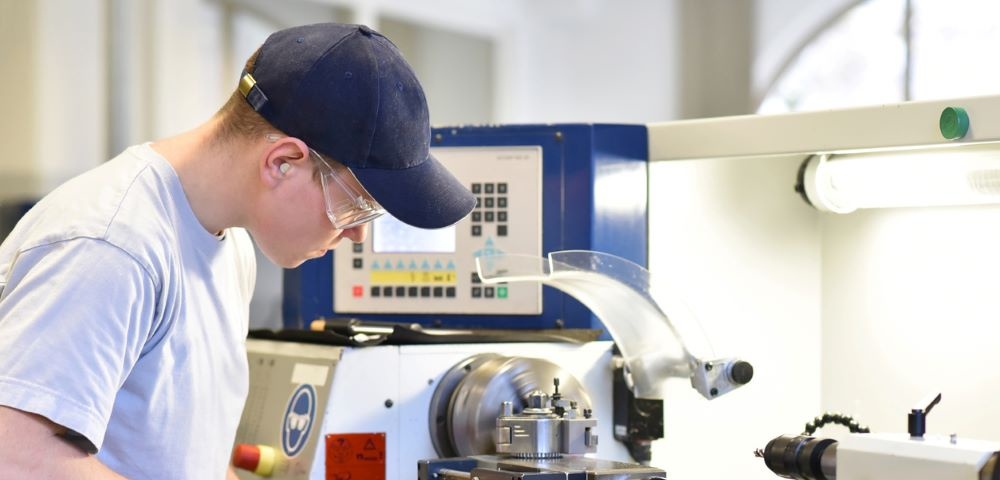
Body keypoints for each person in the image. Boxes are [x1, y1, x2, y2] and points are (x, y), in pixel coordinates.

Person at [0, 22, 475, 479]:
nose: (357, 236)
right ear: (283, 162)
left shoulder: (231, 247)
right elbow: (14, 457)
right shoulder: (114, 244)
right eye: (356, 206)